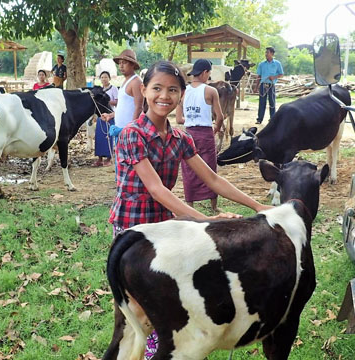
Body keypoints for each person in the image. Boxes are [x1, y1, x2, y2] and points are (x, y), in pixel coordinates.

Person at [108, 60, 272, 359]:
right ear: (143, 90)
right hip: (132, 229)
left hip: (165, 229)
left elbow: (211, 178)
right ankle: (130, 347)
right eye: (157, 88)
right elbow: (156, 189)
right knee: (137, 307)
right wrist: (205, 220)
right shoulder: (132, 134)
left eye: (172, 90)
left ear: (181, 95)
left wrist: (258, 205)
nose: (164, 96)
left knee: (162, 301)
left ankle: (151, 350)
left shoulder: (180, 138)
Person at [176, 59, 224, 213]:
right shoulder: (210, 91)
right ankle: (214, 206)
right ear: (204, 72)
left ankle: (189, 205)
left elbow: (178, 119)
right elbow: (220, 117)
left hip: (188, 133)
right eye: (209, 74)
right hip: (205, 133)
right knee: (210, 168)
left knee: (189, 169)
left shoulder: (183, 92)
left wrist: (190, 119)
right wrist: (216, 128)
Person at [92, 71, 118, 167]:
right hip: (100, 115)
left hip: (110, 114)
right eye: (102, 77)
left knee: (108, 136)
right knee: (99, 137)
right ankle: (99, 158)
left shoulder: (113, 89)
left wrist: (106, 100)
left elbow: (116, 102)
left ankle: (108, 159)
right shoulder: (99, 90)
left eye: (106, 77)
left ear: (109, 78)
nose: (104, 79)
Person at [255, 46, 284, 124]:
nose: (266, 54)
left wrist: (274, 77)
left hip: (271, 85)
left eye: (267, 52)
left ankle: (272, 119)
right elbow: (259, 76)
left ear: (272, 53)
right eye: (266, 52)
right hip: (263, 85)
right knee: (262, 102)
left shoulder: (277, 64)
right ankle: (259, 119)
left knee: (272, 102)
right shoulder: (261, 64)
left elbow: (281, 74)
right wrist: (256, 87)